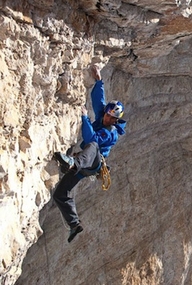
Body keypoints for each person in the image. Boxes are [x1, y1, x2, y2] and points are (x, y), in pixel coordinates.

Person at [53, 65, 126, 242]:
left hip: (92, 163)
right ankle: (74, 224)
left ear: (116, 121)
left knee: (93, 143)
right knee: (60, 194)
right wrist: (99, 80)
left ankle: (71, 164)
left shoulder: (111, 133)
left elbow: (90, 137)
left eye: (112, 119)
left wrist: (85, 117)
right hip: (84, 164)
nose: (108, 119)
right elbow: (98, 100)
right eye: (108, 115)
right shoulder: (104, 115)